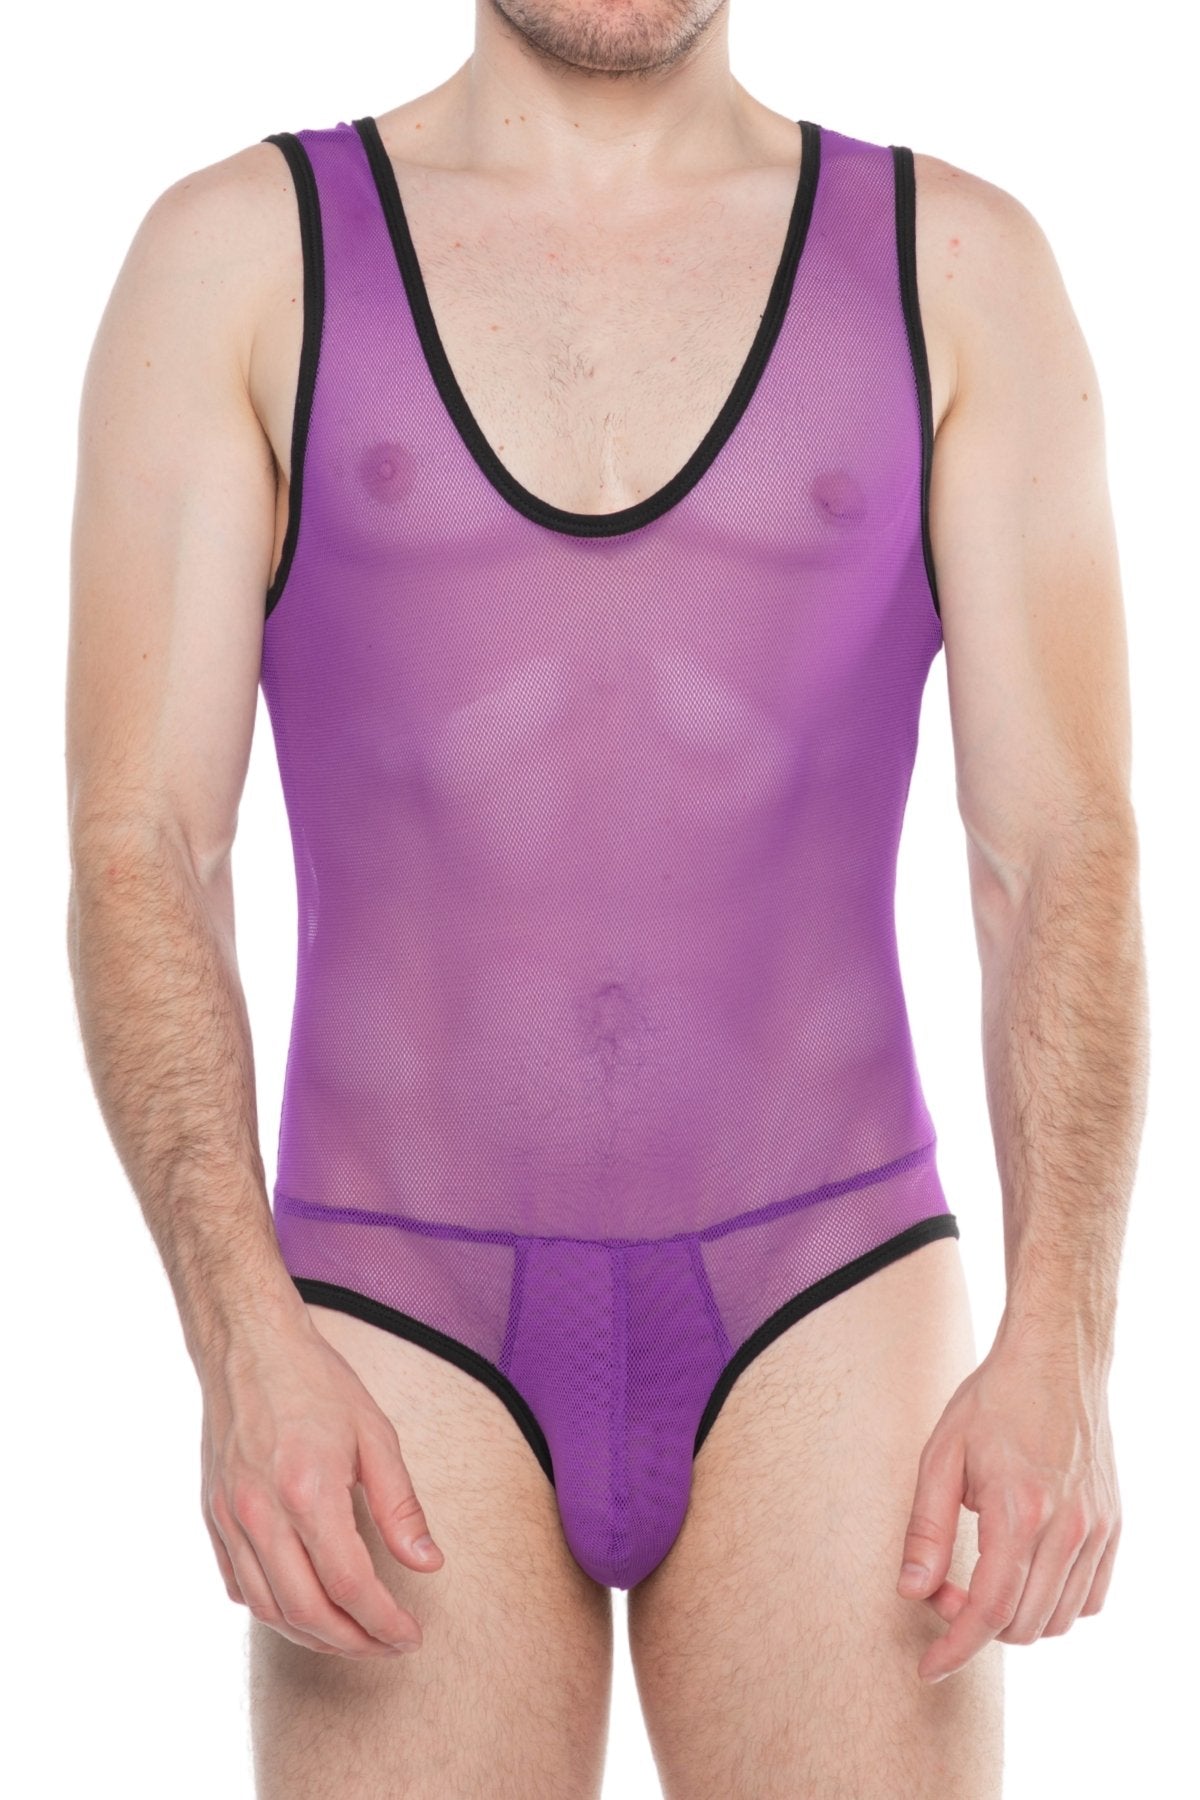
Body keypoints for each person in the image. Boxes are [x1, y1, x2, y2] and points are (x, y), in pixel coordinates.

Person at [65, 1, 1148, 1794]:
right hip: (389, 1313)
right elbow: (144, 847)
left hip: (827, 1287)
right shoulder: (238, 259)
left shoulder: (958, 268)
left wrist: (1067, 1345)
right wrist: (238, 1341)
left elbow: (1059, 853)